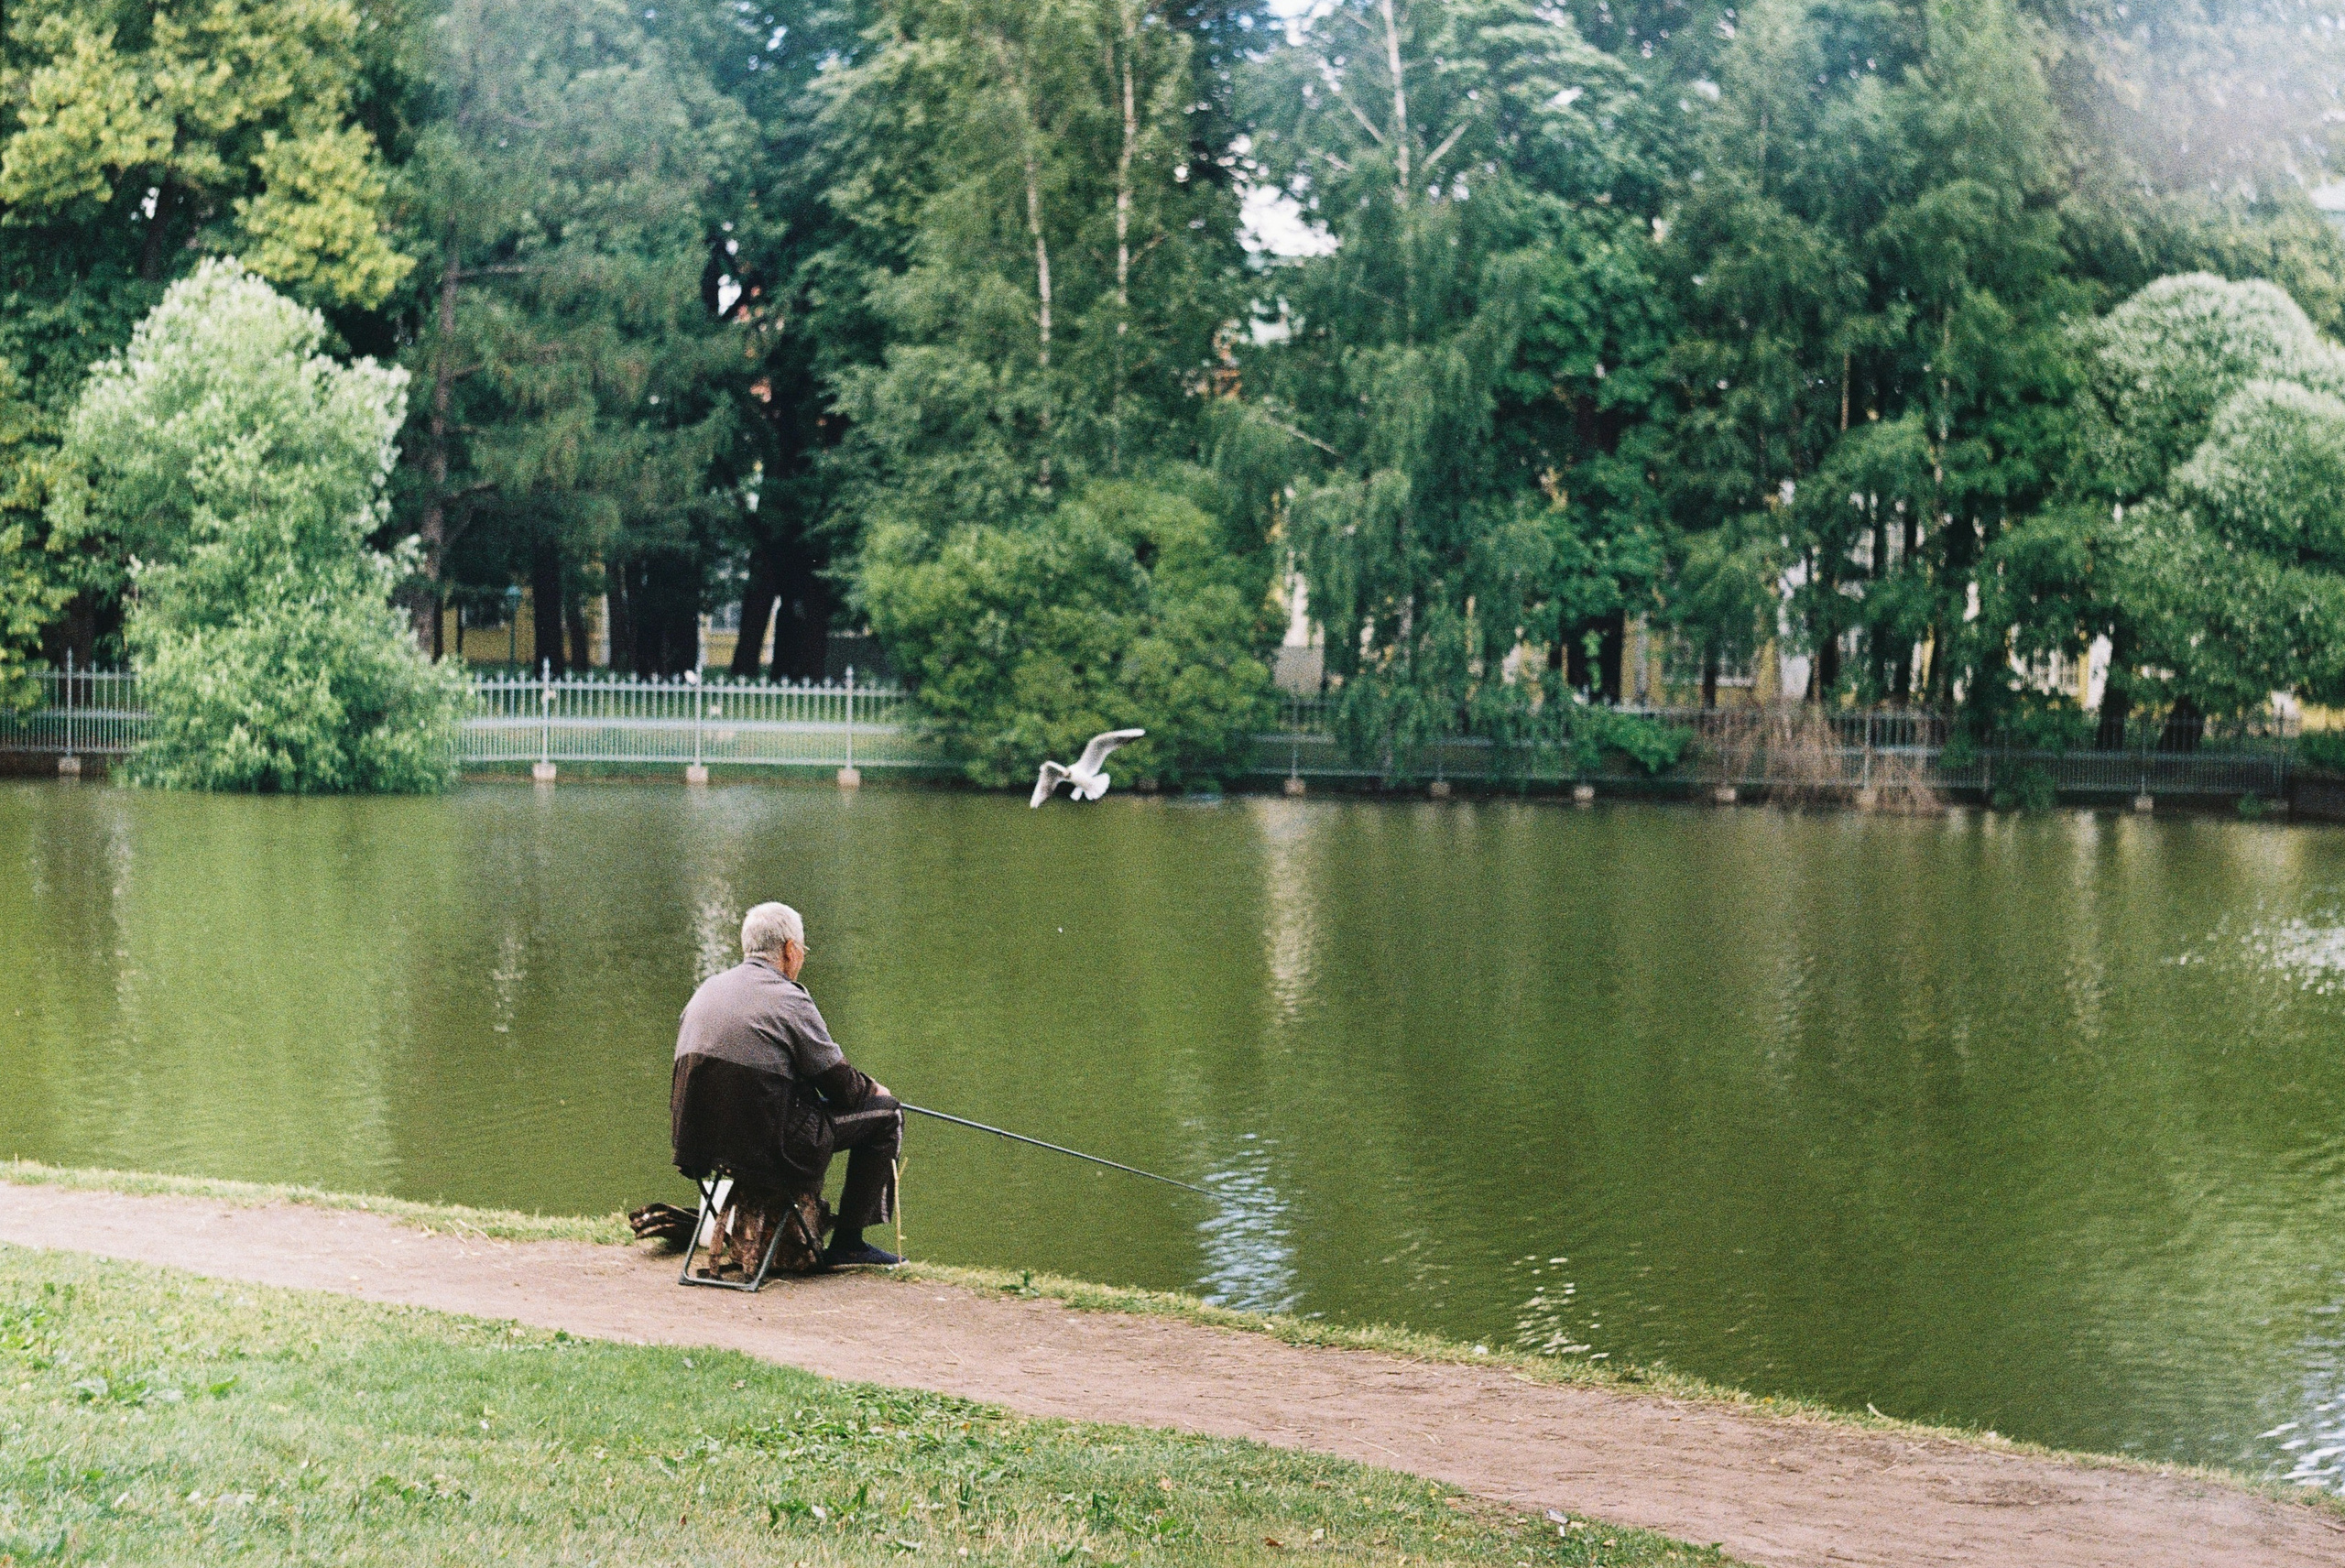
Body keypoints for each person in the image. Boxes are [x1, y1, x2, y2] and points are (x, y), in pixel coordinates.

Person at [671, 901, 904, 1268]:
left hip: (698, 1147)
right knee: (888, 1116)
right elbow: (842, 1087)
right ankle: (849, 1243)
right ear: (790, 950)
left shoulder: (707, 990)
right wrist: (874, 1090)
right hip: (770, 1149)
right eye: (802, 951)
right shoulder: (789, 998)